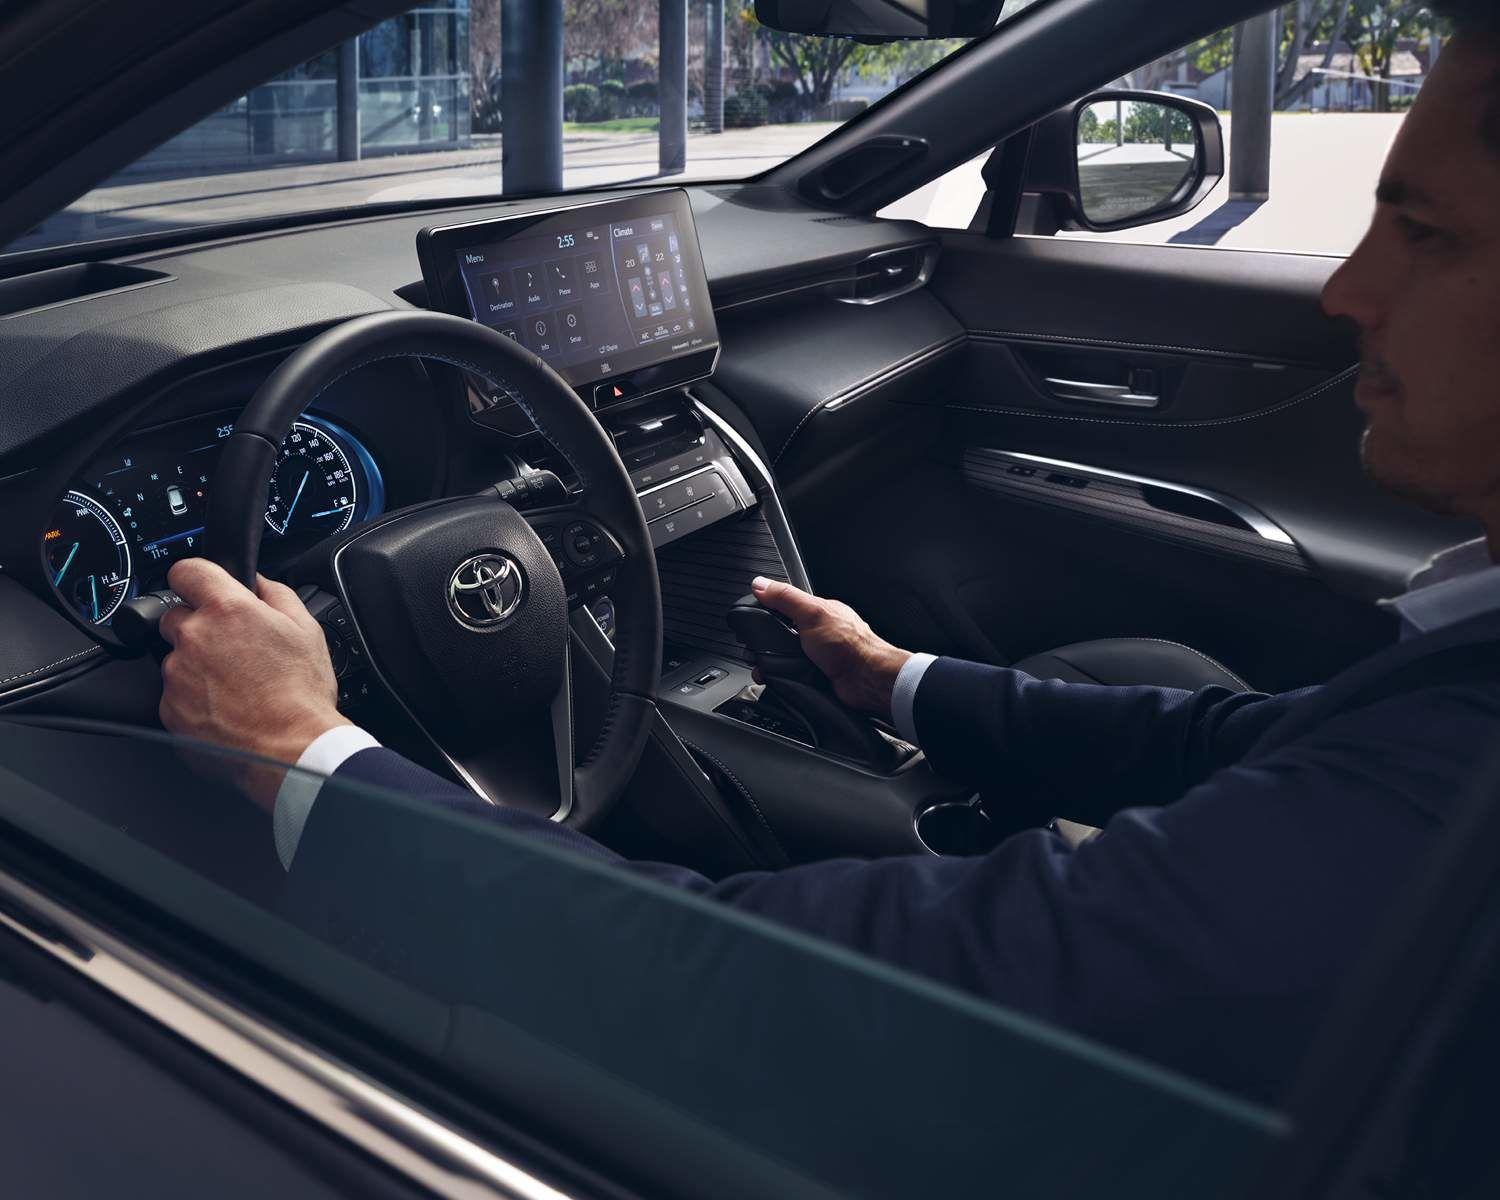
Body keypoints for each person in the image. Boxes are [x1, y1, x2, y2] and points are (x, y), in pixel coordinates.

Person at [155, 4, 1500, 1103]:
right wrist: (898, 679)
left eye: (1429, 236)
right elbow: (1262, 740)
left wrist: (298, 751)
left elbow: (770, 1001)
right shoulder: (1444, 710)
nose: (1347, 290)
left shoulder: (1432, 791)